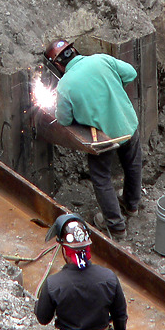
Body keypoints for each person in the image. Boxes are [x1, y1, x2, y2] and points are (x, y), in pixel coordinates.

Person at [44, 39, 142, 239]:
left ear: (58, 65)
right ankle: (132, 206)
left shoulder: (65, 85)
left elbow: (63, 119)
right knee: (133, 165)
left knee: (101, 178)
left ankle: (116, 227)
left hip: (103, 138)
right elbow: (131, 73)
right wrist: (112, 88)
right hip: (127, 124)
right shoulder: (101, 59)